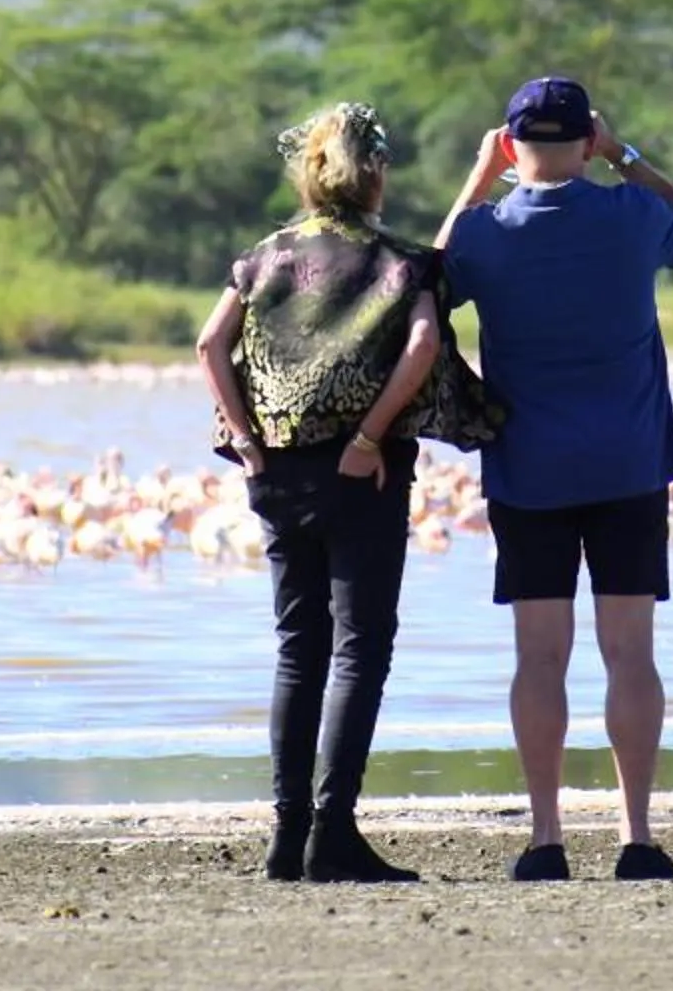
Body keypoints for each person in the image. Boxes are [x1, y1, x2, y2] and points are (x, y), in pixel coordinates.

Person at [196, 100, 497, 884]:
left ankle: (285, 838)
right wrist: (369, 438)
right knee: (360, 648)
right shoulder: (401, 262)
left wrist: (248, 442)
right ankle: (333, 833)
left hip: (279, 476)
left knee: (299, 650)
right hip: (364, 474)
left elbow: (210, 345)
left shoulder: (264, 256)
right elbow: (426, 342)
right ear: (376, 173)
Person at [439, 74, 673, 882]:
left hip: (528, 472)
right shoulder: (631, 216)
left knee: (539, 657)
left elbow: (430, 272)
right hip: (627, 464)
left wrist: (480, 178)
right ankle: (636, 837)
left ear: (513, 144)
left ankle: (546, 838)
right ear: (586, 141)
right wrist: (625, 153)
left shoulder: (487, 231)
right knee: (630, 653)